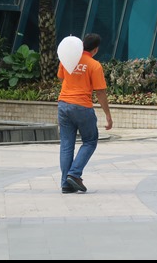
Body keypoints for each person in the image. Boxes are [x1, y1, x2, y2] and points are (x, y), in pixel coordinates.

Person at [57, 33, 113, 194]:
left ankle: (66, 184)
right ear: (95, 50)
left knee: (66, 144)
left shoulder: (68, 58)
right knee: (90, 141)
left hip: (63, 104)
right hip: (82, 106)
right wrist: (108, 115)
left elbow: (61, 78)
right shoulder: (94, 65)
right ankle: (74, 174)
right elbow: (100, 92)